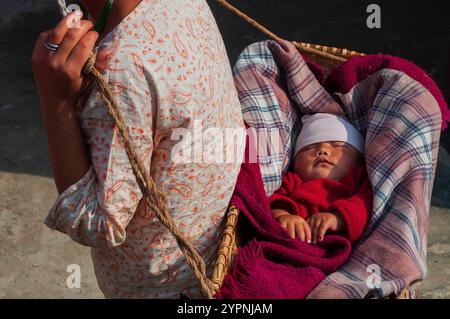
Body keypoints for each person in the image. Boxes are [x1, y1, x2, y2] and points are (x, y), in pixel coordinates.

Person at [31, 0, 244, 298]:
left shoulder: (121, 69)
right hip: (215, 249)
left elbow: (97, 223)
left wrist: (56, 102)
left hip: (165, 287)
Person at [269, 113, 373, 245]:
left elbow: (365, 205)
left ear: (359, 159)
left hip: (334, 246)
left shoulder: (359, 179)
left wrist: (338, 219)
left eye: (338, 145)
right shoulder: (292, 180)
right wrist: (283, 216)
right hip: (292, 242)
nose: (322, 150)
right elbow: (270, 202)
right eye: (309, 148)